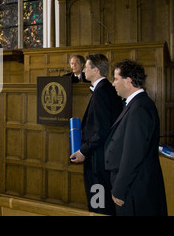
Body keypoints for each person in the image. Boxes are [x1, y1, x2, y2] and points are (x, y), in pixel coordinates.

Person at [105, 59, 167, 216]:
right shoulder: (135, 104)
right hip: (134, 185)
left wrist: (119, 189)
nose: (113, 84)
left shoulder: (139, 108)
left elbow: (133, 154)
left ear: (128, 81)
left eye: (116, 79)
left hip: (134, 188)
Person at [70, 53, 122, 215]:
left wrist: (83, 151)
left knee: (98, 203)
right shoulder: (106, 89)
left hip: (98, 159)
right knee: (103, 201)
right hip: (105, 156)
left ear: (96, 70)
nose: (83, 70)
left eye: (86, 67)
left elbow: (101, 130)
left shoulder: (101, 92)